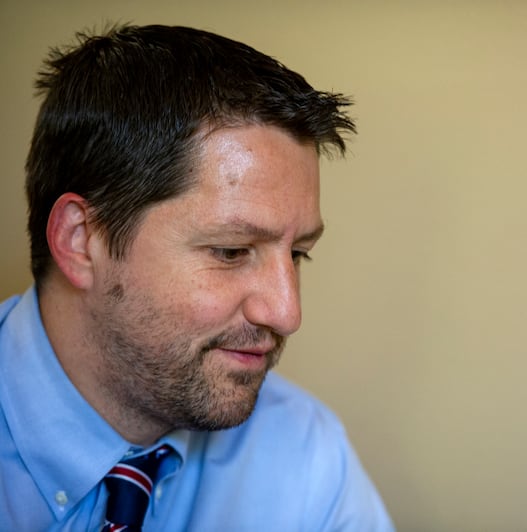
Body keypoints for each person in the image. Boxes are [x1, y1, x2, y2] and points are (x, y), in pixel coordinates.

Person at [0, 24, 393, 531]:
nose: (287, 313)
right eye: (231, 251)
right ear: (80, 241)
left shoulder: (304, 454)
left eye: (297, 254)